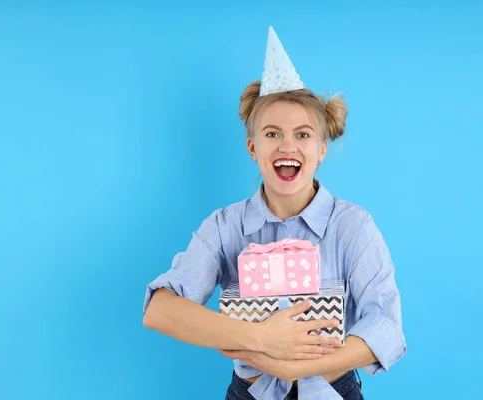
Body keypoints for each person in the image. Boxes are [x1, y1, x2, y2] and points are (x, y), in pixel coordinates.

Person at [142, 26, 407, 400]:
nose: (287, 145)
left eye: (302, 134)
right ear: (253, 147)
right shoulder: (225, 227)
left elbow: (387, 327)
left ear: (321, 149)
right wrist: (259, 336)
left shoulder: (352, 226)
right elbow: (160, 310)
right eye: (272, 134)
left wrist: (295, 366)